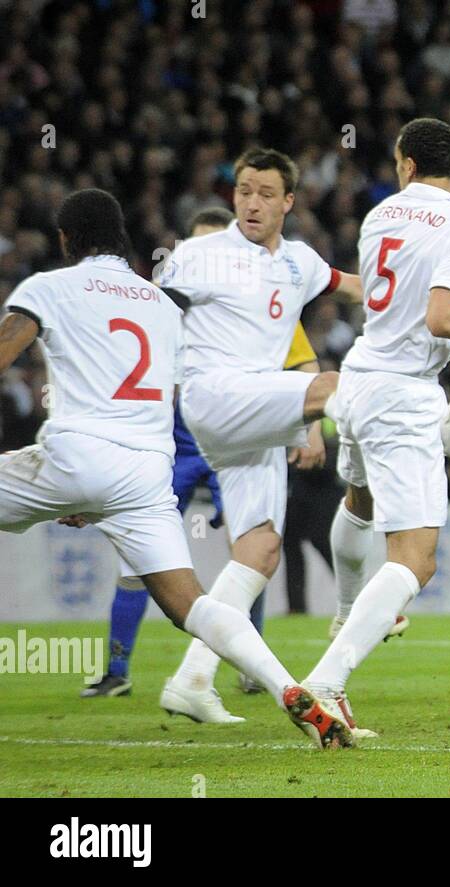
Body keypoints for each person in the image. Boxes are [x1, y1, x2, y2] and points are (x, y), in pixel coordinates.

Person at [0, 188, 352, 749]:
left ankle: (133, 671)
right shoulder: (161, 304)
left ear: (67, 239)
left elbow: (6, 348)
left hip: (74, 452)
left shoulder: (49, 287)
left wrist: (76, 488)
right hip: (144, 471)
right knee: (194, 605)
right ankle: (291, 689)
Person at [300, 117, 450, 736]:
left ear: (405, 162)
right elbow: (441, 318)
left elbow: (387, 299)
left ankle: (348, 610)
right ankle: (325, 681)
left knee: (359, 501)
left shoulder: (379, 215)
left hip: (355, 378)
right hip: (402, 393)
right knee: (416, 560)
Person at [156, 148, 365, 723]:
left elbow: (354, 285)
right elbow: (154, 315)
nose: (251, 201)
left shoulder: (299, 262)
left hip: (255, 415)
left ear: (288, 202)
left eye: (265, 193)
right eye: (244, 190)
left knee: (261, 547)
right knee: (326, 387)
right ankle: (428, 431)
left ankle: (193, 677)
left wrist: (422, 296)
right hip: (213, 394)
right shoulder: (199, 255)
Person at [80, 206, 323, 698]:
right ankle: (117, 670)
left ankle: (249, 665)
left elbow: (303, 361)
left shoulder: (260, 303)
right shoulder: (164, 301)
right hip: (174, 443)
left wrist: (312, 430)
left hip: (236, 439)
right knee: (138, 554)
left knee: (250, 547)